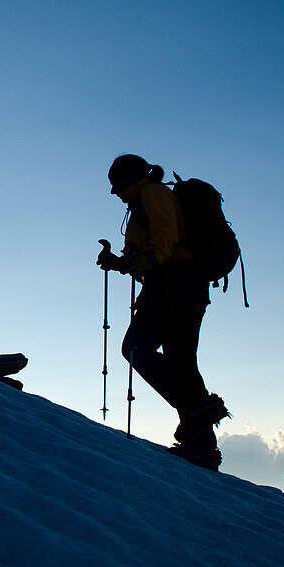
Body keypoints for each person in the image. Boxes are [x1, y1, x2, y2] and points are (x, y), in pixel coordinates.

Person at [97, 154, 229, 469]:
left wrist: (153, 260)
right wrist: (117, 262)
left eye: (115, 183)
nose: (114, 192)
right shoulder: (144, 199)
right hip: (186, 288)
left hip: (173, 286)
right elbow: (150, 250)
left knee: (135, 348)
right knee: (181, 364)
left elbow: (166, 234)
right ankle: (203, 449)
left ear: (128, 178)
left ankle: (198, 411)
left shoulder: (151, 194)